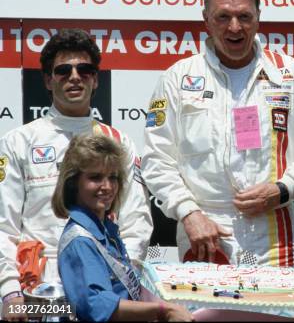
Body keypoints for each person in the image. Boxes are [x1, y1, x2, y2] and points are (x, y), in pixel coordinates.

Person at [141, 0, 294, 265]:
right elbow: (156, 159)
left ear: (258, 17)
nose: (234, 27)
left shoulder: (289, 74)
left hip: (273, 233)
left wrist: (283, 190)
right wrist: (188, 213)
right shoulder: (178, 78)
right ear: (205, 19)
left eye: (244, 16)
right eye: (223, 17)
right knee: (207, 313)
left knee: (275, 311)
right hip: (205, 234)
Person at [0, 29, 153, 320]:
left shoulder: (118, 142)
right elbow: (3, 227)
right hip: (40, 294)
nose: (74, 77)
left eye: (84, 69)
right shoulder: (19, 141)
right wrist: (10, 291)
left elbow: (136, 222)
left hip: (103, 290)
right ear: (48, 79)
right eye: (63, 70)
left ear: (95, 79)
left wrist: (121, 278)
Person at [52, 134, 192, 321]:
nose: (107, 186)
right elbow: (96, 306)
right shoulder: (80, 240)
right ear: (73, 182)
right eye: (95, 177)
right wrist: (162, 310)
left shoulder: (105, 229)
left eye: (113, 177)